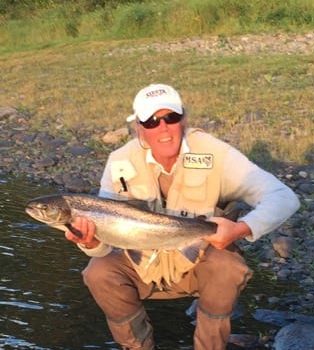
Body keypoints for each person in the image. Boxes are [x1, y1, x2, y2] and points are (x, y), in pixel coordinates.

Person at [63, 83, 300, 350]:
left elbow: (283, 197)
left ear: (184, 119)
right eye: (151, 121)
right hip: (142, 267)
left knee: (228, 267)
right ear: (138, 128)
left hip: (198, 265)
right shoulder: (120, 161)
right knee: (98, 272)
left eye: (171, 118)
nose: (162, 128)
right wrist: (91, 243)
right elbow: (105, 242)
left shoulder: (216, 154)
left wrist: (241, 229)